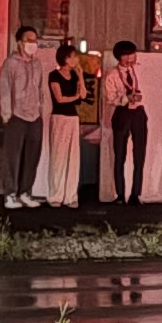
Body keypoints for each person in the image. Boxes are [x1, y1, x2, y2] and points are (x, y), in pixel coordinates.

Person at [0, 23, 53, 207]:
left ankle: (25, 191)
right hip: (16, 115)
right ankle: (10, 193)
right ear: (19, 43)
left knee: (32, 155)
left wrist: (41, 108)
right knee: (12, 155)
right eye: (29, 40)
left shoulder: (37, 63)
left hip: (35, 115)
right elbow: (5, 90)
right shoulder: (10, 64)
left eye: (35, 41)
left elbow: (40, 88)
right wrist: (6, 114)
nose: (33, 44)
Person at [48, 40, 102, 208]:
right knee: (59, 156)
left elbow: (84, 94)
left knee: (73, 157)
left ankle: (71, 196)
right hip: (59, 117)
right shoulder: (54, 75)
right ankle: (55, 195)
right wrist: (75, 97)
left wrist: (80, 75)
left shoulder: (74, 76)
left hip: (73, 117)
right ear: (65, 58)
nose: (76, 59)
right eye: (73, 57)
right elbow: (59, 99)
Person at [105, 39, 151, 214]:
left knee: (139, 154)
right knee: (120, 155)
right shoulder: (112, 74)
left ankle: (135, 194)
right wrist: (126, 99)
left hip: (138, 113)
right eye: (128, 54)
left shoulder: (138, 70)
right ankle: (119, 194)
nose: (132, 57)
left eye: (133, 54)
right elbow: (110, 99)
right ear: (120, 57)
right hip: (122, 113)